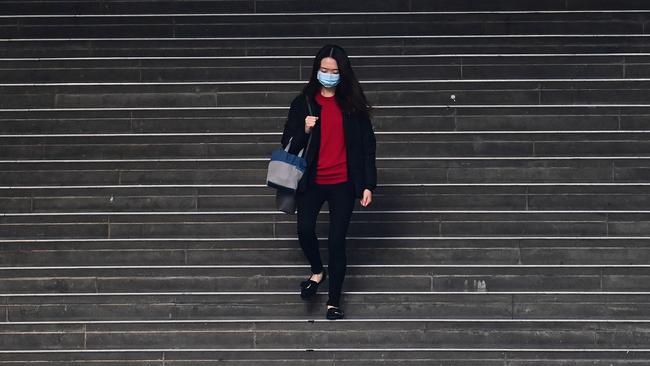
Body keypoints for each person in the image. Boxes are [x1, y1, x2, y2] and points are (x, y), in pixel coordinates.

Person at [280, 44, 377, 320]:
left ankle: (333, 302)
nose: (329, 75)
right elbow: (287, 143)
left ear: (343, 74)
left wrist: (368, 184)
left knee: (337, 241)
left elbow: (368, 146)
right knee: (305, 229)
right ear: (316, 71)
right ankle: (317, 271)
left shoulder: (353, 106)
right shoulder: (303, 103)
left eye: (334, 71)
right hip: (312, 180)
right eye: (324, 70)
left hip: (344, 183)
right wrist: (305, 129)